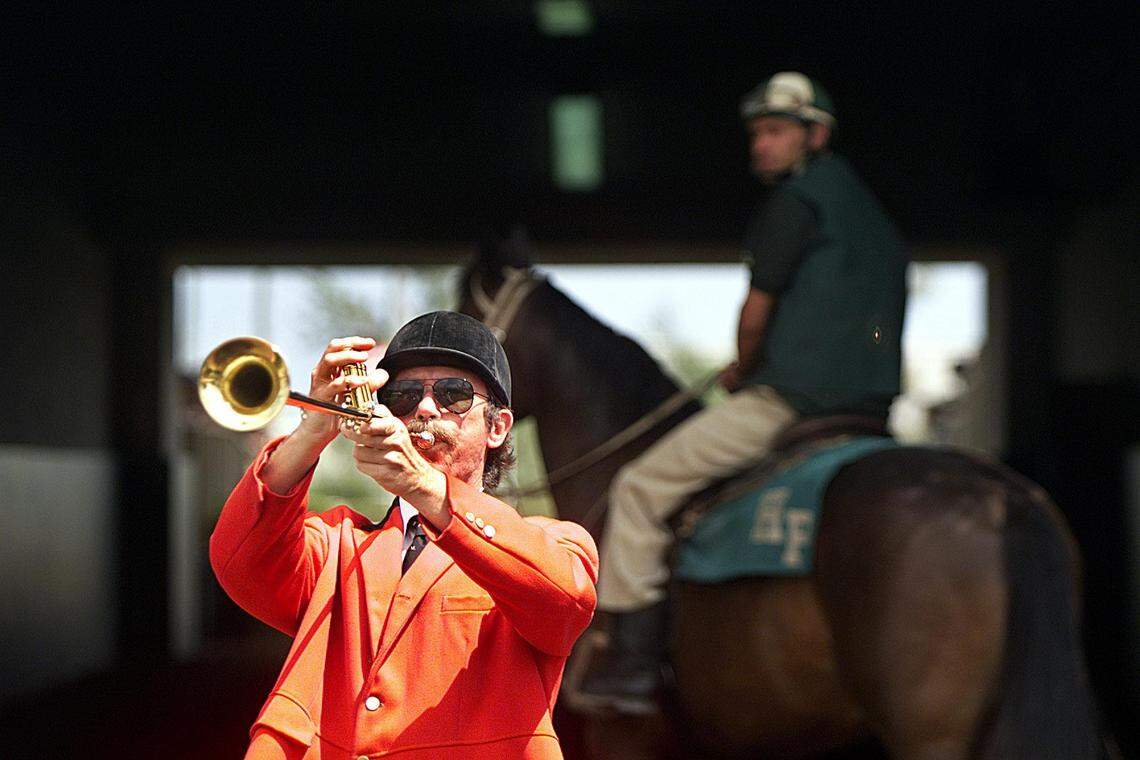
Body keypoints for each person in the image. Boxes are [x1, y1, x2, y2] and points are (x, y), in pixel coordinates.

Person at [580, 71, 909, 713]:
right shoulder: (875, 218)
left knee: (641, 489)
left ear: (815, 135)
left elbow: (756, 314)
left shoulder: (794, 204)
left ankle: (631, 665)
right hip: (869, 414)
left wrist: (741, 364)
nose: (760, 145)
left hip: (790, 402)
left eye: (776, 131)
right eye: (757, 132)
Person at [210, 311, 599, 759]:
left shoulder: (552, 541)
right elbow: (239, 560)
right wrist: (311, 432)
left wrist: (426, 488)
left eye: (453, 395)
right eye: (403, 395)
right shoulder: (338, 546)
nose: (425, 409)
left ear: (497, 427)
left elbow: (562, 602)